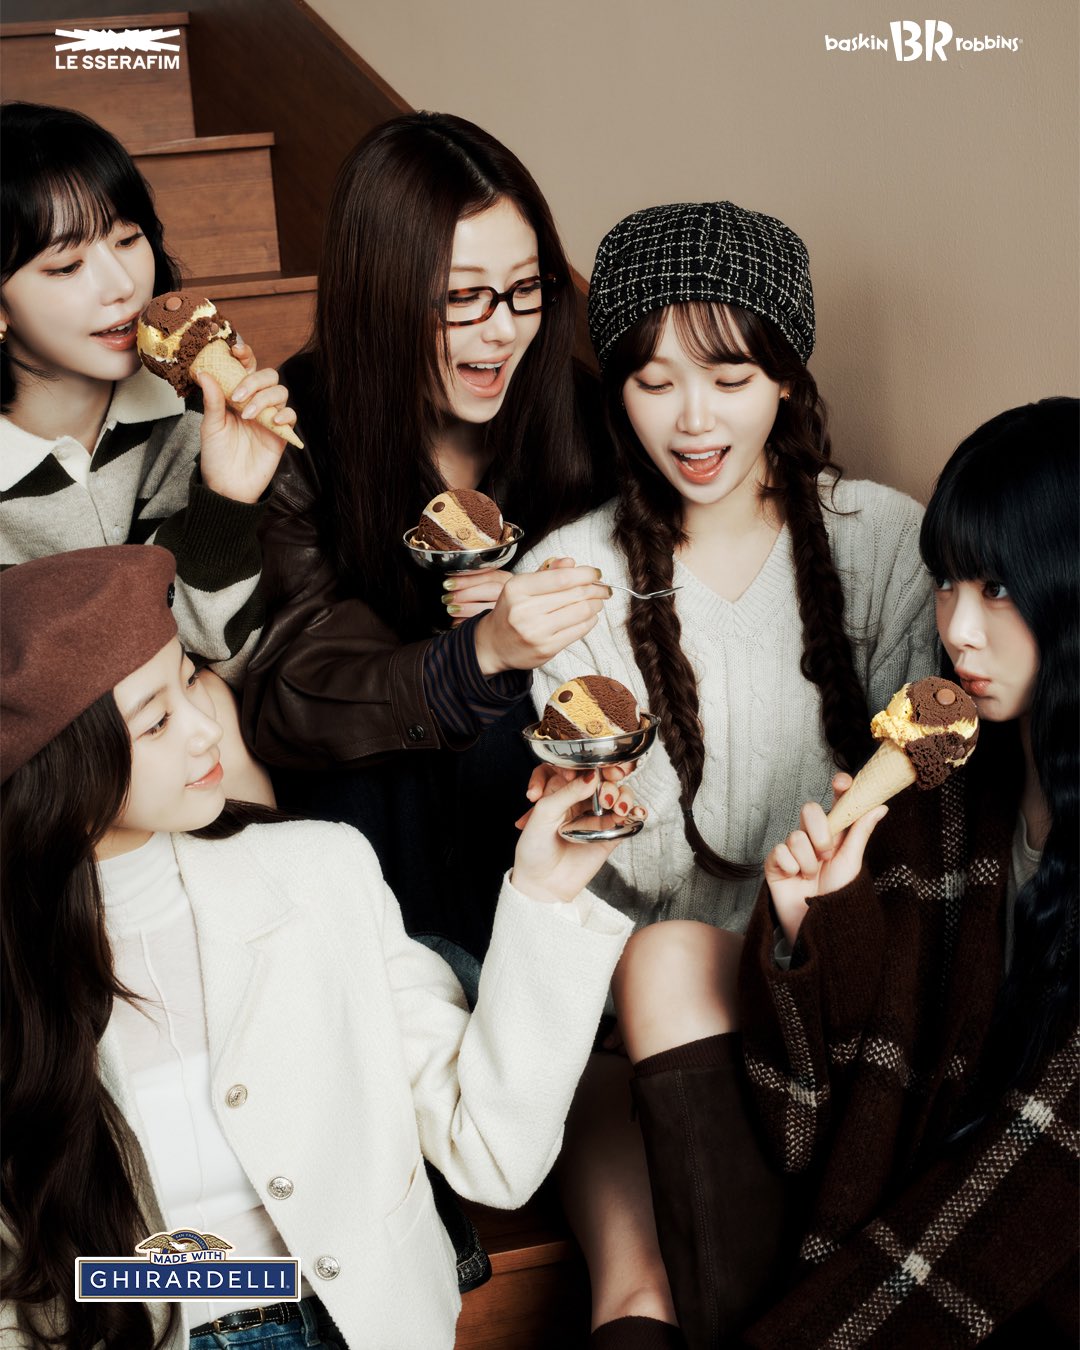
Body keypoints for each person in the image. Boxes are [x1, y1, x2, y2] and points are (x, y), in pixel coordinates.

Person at [0, 545, 641, 1350]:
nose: (207, 728)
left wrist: (544, 893)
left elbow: (494, 1153)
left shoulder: (320, 872)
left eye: (192, 681)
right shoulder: (17, 966)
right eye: (156, 720)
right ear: (60, 769)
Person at [515, 201, 938, 1347]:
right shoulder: (574, 575)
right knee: (642, 988)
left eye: (731, 376)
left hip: (838, 981)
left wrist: (815, 899)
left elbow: (930, 788)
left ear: (788, 378)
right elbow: (599, 875)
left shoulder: (884, 542)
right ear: (617, 392)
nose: (693, 419)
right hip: (652, 1016)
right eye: (653, 382)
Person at [613, 398, 1079, 1347]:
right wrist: (815, 928)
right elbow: (816, 1116)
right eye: (947, 583)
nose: (958, 629)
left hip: (1032, 1252)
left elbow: (1030, 1186)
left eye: (998, 587)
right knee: (665, 956)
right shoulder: (947, 783)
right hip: (908, 1187)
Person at [242, 111, 613, 959]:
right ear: (381, 293)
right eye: (461, 297)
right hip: (374, 822)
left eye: (526, 288)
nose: (503, 327)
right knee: (383, 744)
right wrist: (479, 653)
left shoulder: (582, 417)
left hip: (537, 818)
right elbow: (291, 695)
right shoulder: (297, 431)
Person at [0, 101, 292, 804]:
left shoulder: (197, 418)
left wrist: (227, 500)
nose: (122, 286)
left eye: (128, 239)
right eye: (66, 266)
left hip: (202, 770)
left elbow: (232, 663)